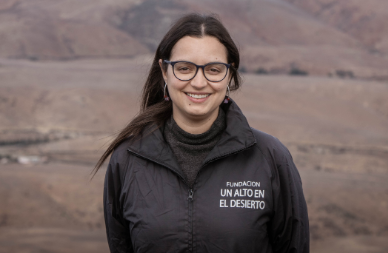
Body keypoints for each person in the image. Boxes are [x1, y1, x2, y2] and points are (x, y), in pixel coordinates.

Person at [93, 13, 309, 253]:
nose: (198, 82)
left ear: (229, 73)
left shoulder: (271, 157)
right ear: (164, 71)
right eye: (184, 68)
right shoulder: (127, 160)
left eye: (213, 69)